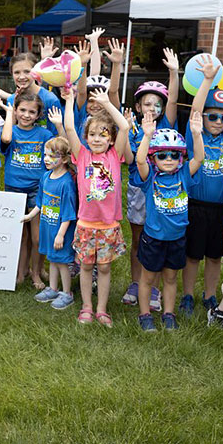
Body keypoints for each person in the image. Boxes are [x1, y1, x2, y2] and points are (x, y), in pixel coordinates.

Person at [63, 86, 129, 328]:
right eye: (92, 135)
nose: (97, 139)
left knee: (103, 268)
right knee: (86, 266)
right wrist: (69, 101)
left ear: (110, 139)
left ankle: (101, 310)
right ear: (86, 138)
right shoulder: (81, 156)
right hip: (86, 223)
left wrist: (107, 104)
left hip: (109, 224)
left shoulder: (115, 155)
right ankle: (87, 307)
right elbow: (69, 127)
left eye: (103, 135)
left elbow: (124, 126)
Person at [133, 112, 204, 331]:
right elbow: (138, 160)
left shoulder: (183, 174)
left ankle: (168, 313)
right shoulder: (150, 177)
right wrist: (146, 136)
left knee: (171, 278)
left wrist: (196, 134)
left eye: (174, 155)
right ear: (154, 157)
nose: (169, 159)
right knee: (147, 277)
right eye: (162, 155)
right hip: (153, 238)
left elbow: (199, 158)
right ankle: (145, 315)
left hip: (177, 238)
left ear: (180, 157)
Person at [122, 48, 180, 309]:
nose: (152, 107)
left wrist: (174, 73)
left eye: (157, 103)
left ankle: (154, 288)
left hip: (164, 192)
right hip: (138, 188)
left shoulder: (167, 125)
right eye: (147, 103)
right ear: (137, 106)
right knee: (138, 239)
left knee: (158, 239)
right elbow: (132, 160)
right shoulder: (133, 127)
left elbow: (174, 101)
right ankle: (137, 283)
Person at [180, 55, 223, 316]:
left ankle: (210, 295)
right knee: (193, 255)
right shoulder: (195, 135)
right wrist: (208, 79)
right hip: (195, 206)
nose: (218, 121)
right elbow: (196, 112)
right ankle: (187, 295)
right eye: (213, 116)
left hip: (220, 207)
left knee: (214, 256)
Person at [0, 92, 52, 289]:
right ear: (16, 111)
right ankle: (21, 273)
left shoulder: (45, 135)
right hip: (14, 189)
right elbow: (5, 139)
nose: (26, 115)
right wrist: (9, 114)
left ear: (38, 115)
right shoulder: (11, 131)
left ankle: (36, 273)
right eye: (22, 110)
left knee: (37, 237)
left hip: (36, 190)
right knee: (21, 236)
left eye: (32, 112)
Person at [22, 136, 77, 310]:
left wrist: (61, 235)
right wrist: (30, 215)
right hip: (47, 227)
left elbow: (69, 214)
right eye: (45, 155)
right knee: (52, 260)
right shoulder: (45, 177)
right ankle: (53, 288)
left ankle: (67, 293)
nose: (46, 159)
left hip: (60, 231)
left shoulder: (67, 183)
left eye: (53, 156)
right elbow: (40, 202)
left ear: (65, 159)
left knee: (62, 262)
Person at [6, 52, 61, 134]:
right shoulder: (11, 100)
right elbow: (9, 134)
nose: (21, 77)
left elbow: (57, 134)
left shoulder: (50, 99)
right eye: (17, 72)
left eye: (27, 72)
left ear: (35, 72)